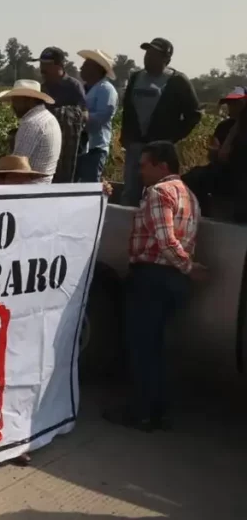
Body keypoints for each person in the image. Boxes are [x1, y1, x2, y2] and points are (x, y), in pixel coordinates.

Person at [105, 141, 204, 432]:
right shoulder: (190, 195)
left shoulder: (159, 192)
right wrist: (187, 268)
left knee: (142, 348)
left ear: (162, 165)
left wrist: (187, 266)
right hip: (172, 281)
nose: (140, 171)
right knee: (156, 348)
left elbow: (165, 240)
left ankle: (142, 412)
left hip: (152, 277)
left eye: (144, 165)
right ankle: (158, 410)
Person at [119, 38, 201, 206]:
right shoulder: (136, 78)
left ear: (166, 59)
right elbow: (127, 109)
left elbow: (194, 114)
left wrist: (172, 138)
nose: (148, 58)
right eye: (147, 53)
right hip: (135, 145)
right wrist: (126, 136)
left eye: (154, 55)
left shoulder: (177, 81)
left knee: (160, 193)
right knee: (131, 191)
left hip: (160, 150)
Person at [182, 87, 245, 217]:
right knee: (191, 178)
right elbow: (216, 156)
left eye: (236, 103)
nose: (231, 107)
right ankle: (202, 212)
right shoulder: (224, 126)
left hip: (241, 173)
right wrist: (215, 153)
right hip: (224, 170)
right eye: (230, 103)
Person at [0, 80, 61, 183]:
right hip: (43, 185)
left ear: (29, 101)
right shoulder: (49, 118)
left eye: (16, 101)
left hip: (28, 187)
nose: (13, 106)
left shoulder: (31, 124)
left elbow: (16, 167)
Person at [37, 47, 86, 183]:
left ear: (59, 65)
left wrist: (62, 116)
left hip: (68, 148)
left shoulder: (73, 86)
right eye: (41, 64)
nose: (42, 69)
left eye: (47, 65)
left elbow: (83, 114)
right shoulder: (42, 88)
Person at [75, 50, 119, 183]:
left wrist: (79, 117)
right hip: (78, 146)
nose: (81, 68)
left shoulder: (106, 90)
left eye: (86, 65)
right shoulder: (83, 88)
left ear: (97, 69)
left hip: (95, 147)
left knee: (90, 183)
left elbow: (101, 117)